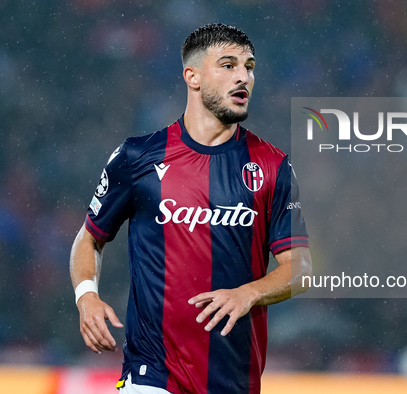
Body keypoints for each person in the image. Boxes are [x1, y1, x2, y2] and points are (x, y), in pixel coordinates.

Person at [70, 23, 312, 394]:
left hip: (233, 379)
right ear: (192, 76)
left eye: (249, 66)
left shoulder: (273, 167)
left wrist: (248, 292)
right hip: (151, 376)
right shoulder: (138, 157)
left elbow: (300, 269)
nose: (243, 77)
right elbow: (89, 239)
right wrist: (86, 295)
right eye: (228, 65)